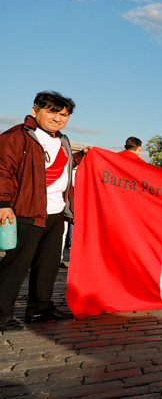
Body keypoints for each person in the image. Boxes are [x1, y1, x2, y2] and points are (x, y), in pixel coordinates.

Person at [0, 91, 88, 330]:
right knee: (15, 265)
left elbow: (57, 166)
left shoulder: (62, 140)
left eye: (63, 114)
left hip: (56, 212)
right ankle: (1, 314)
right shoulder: (16, 137)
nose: (58, 118)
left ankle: (39, 309)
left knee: (47, 264)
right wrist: (3, 204)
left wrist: (83, 157)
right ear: (34, 111)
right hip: (25, 211)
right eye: (51, 111)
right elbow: (2, 172)